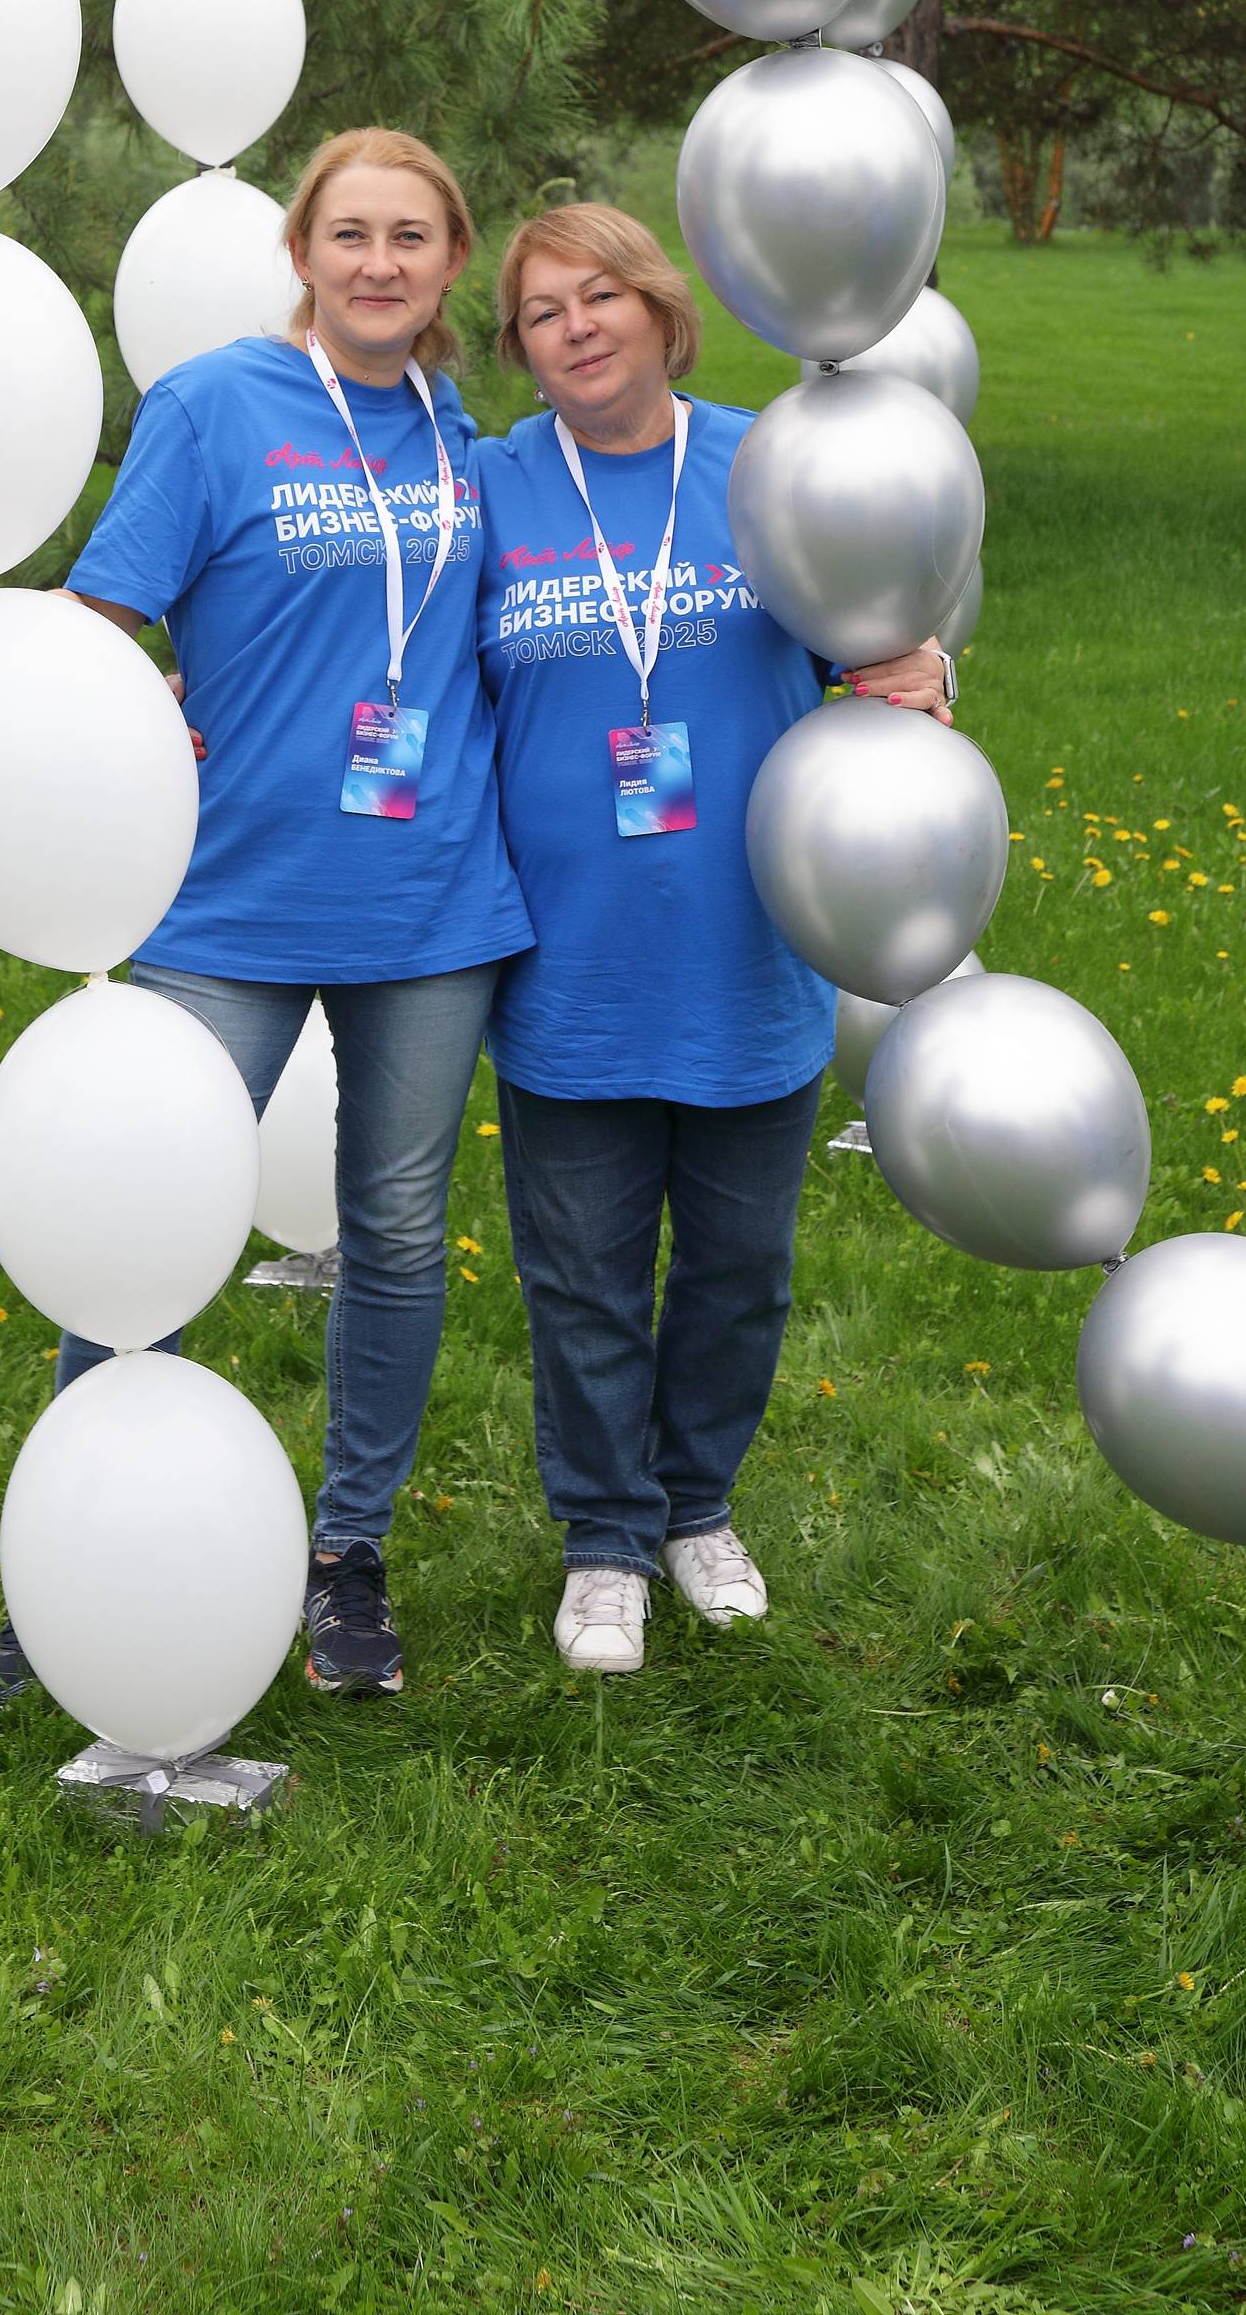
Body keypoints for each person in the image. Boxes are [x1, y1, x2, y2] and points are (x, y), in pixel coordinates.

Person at [0, 128, 525, 1706]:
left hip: (432, 905)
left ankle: (348, 1556)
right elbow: (98, 624)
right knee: (145, 1223)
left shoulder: (469, 440)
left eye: (412, 236)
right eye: (350, 233)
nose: (379, 262)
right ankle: (83, 1574)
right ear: (301, 253)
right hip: (223, 901)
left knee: (394, 1233)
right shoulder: (212, 407)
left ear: (452, 261)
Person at [475, 202, 953, 1676]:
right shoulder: (490, 487)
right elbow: (360, 642)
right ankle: (604, 1540)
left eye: (601, 296)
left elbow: (868, 644)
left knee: (740, 1271)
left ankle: (696, 1508)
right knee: (584, 1280)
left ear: (662, 310)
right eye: (542, 311)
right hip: (567, 960)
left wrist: (918, 672)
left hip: (750, 952)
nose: (576, 328)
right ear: (520, 347)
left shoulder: (768, 467)